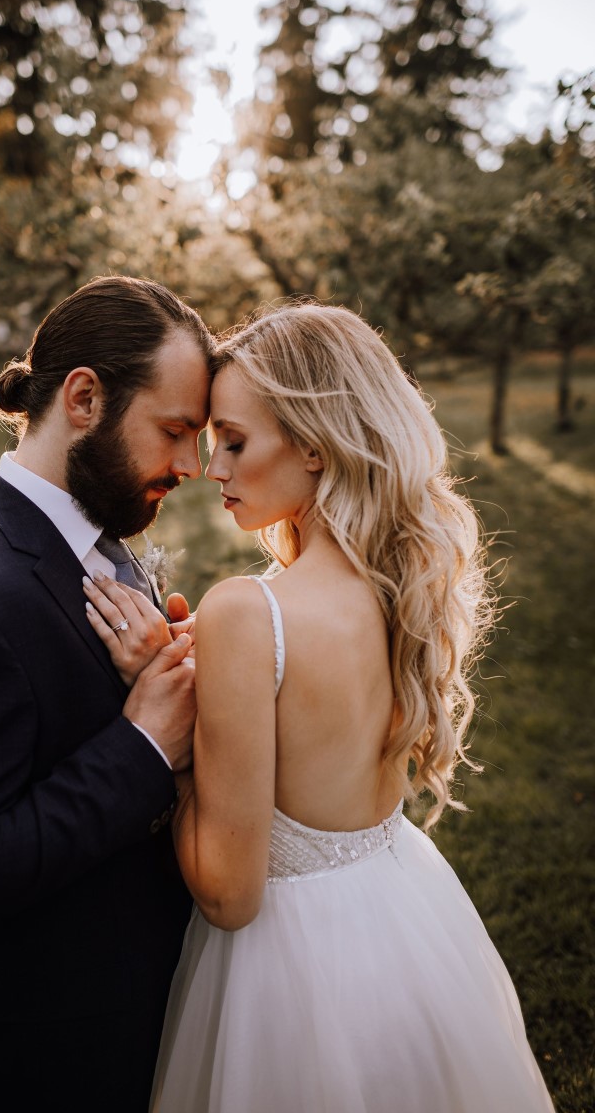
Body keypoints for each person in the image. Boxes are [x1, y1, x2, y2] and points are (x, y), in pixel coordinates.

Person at [86, 302, 555, 1112]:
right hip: (406, 919)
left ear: (312, 442)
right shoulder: (399, 584)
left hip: (288, 970)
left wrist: (177, 723)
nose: (214, 468)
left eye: (233, 441)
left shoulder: (246, 613)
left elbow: (231, 897)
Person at [0, 275, 214, 1112]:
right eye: (173, 432)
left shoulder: (97, 534)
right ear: (86, 397)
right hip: (40, 1053)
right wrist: (142, 747)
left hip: (131, 1014)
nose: (187, 467)